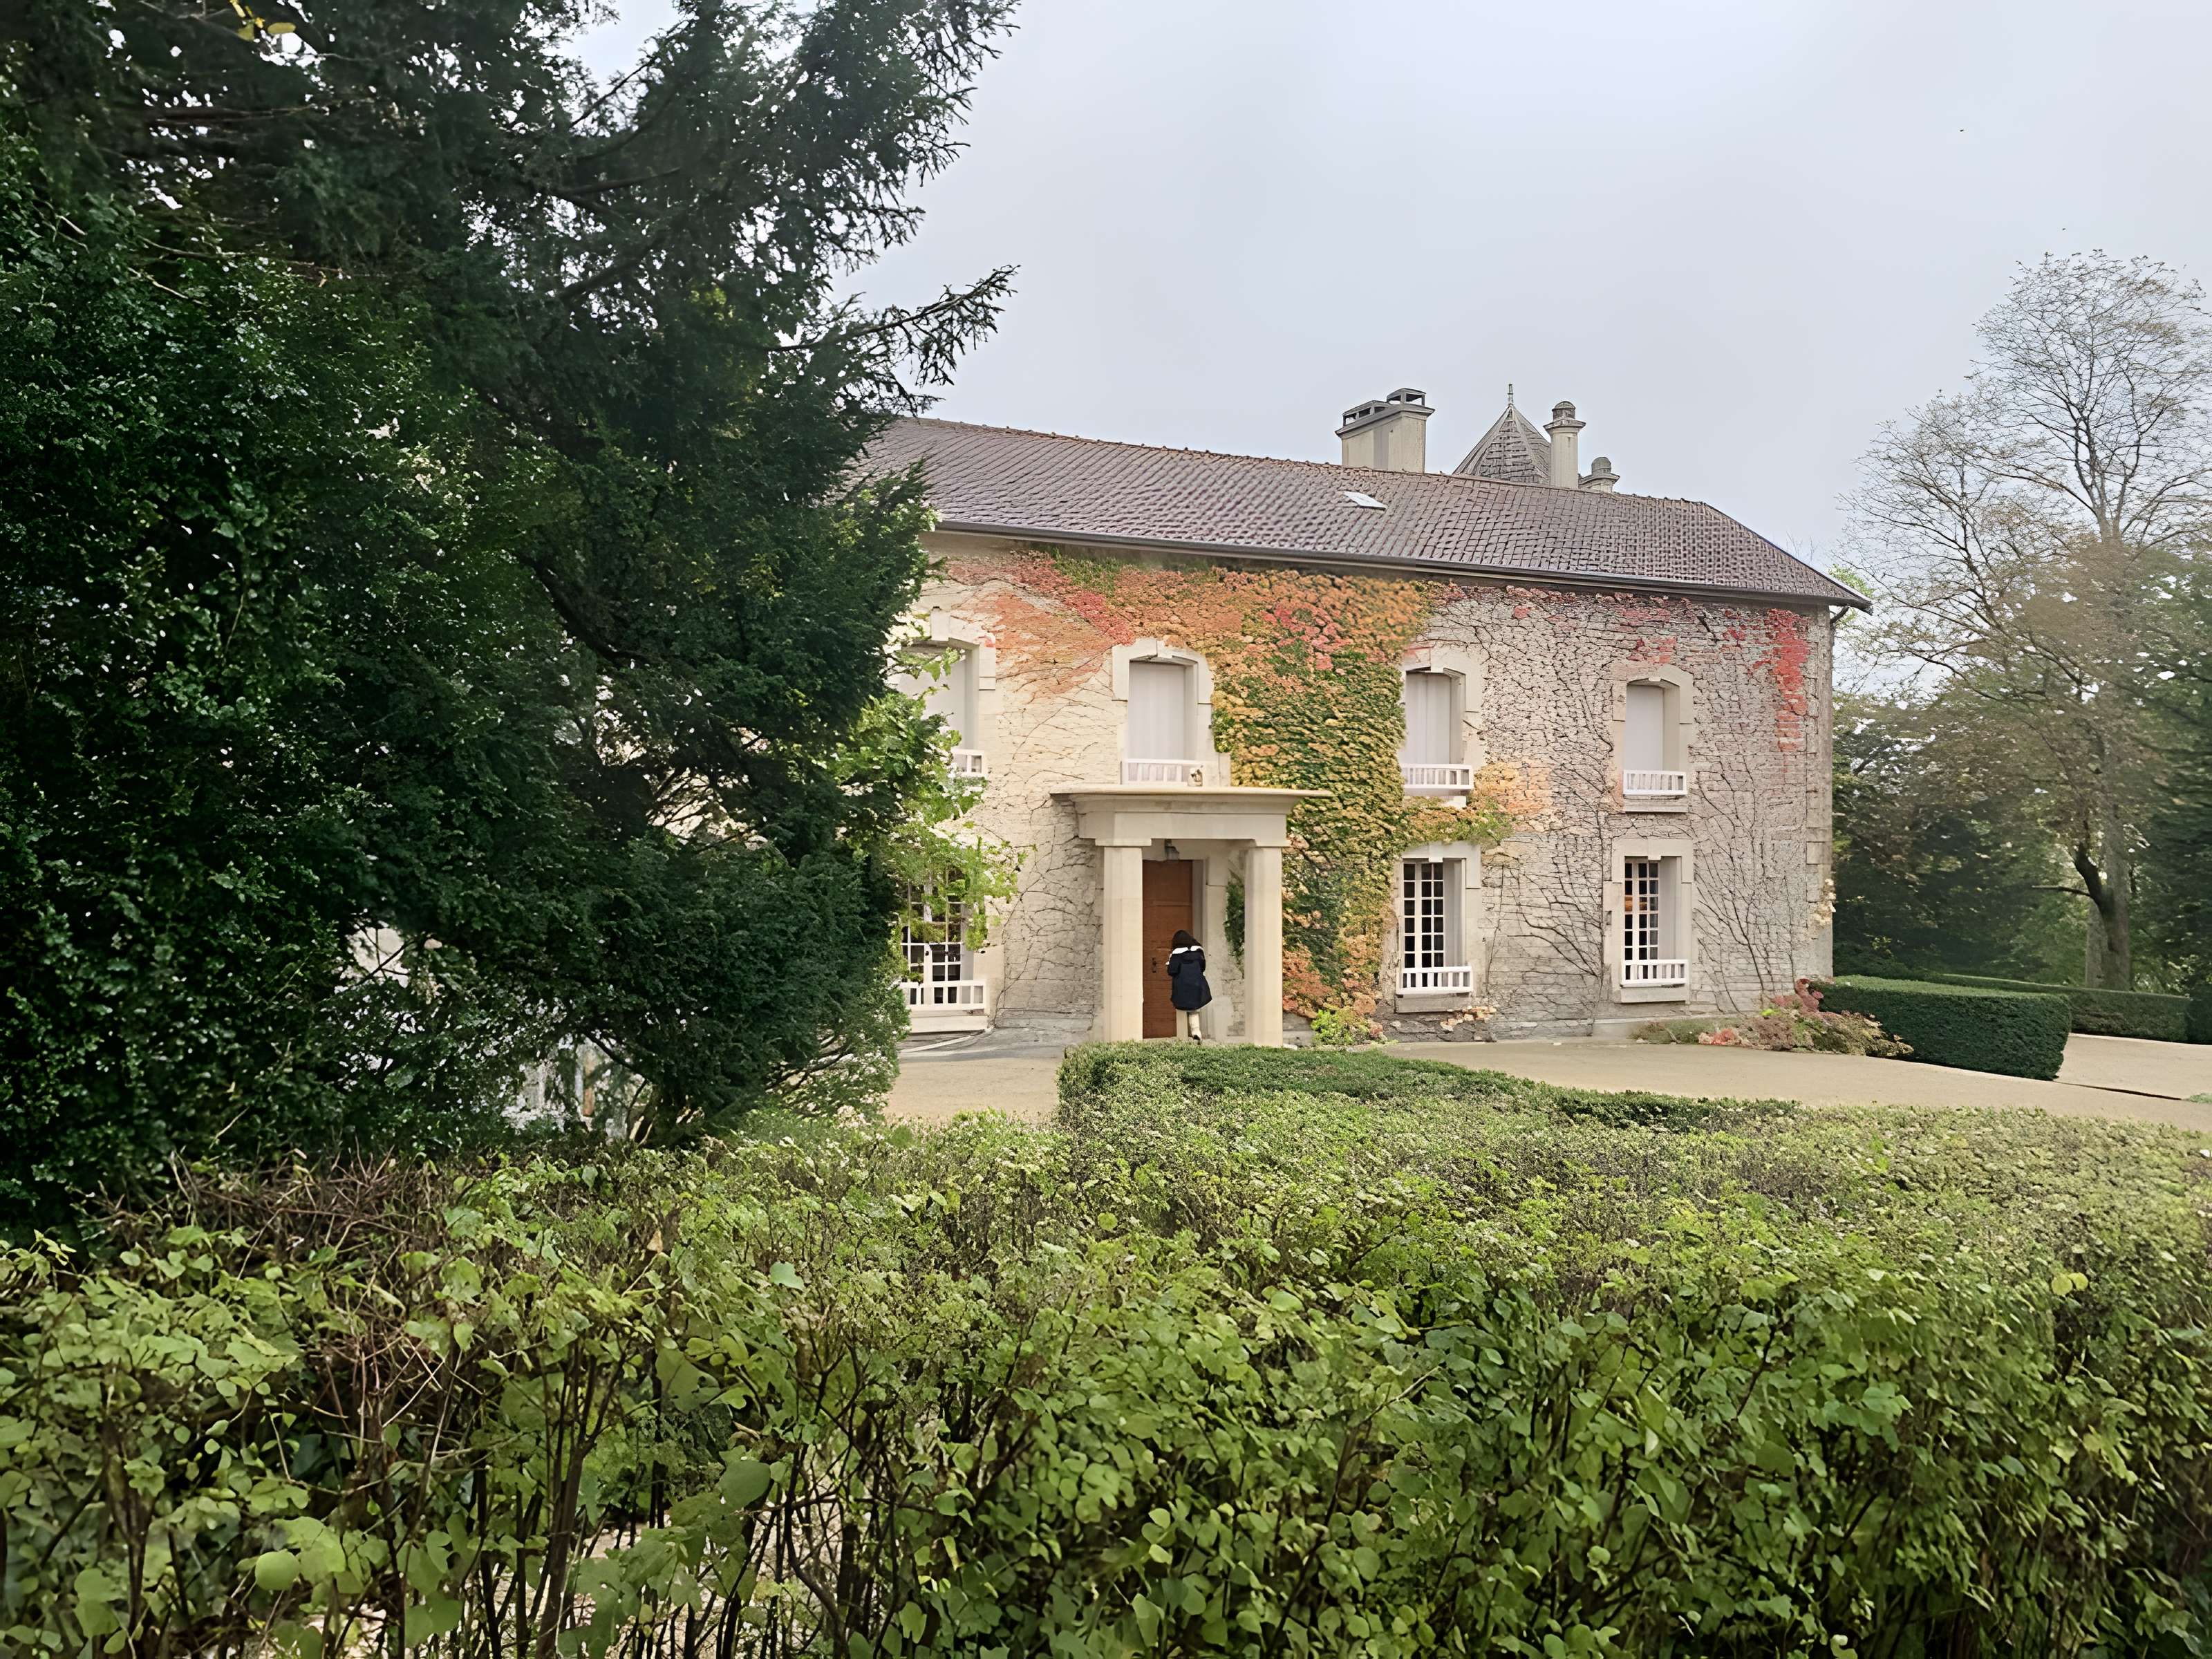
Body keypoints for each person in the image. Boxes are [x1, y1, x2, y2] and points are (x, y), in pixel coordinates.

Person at [1165, 927, 1211, 1042]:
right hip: (1197, 984)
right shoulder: (1199, 952)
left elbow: (1172, 971)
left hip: (1182, 986)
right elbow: (1202, 967)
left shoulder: (1176, 954)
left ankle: (1182, 1039)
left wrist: (1169, 964)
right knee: (1194, 1010)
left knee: (1181, 1010)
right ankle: (1196, 1033)